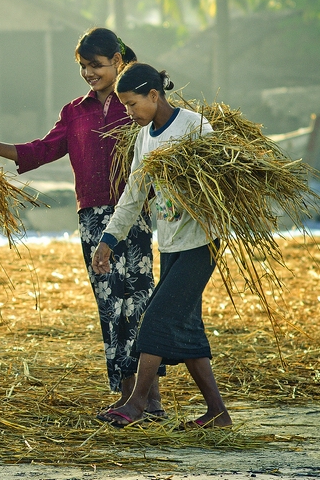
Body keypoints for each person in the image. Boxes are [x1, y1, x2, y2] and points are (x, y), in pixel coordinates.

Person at [0, 28, 165, 418]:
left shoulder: (136, 104)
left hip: (135, 215)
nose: (89, 73)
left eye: (95, 65)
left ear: (117, 60)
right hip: (92, 218)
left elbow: (166, 142)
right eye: (83, 67)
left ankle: (149, 400)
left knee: (140, 304)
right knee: (110, 306)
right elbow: (43, 149)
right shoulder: (74, 111)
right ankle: (129, 396)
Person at [91, 63, 231, 428]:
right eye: (124, 106)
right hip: (170, 243)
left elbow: (221, 180)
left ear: (154, 96)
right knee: (187, 329)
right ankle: (218, 414)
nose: (129, 112)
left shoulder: (195, 126)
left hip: (202, 241)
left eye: (133, 104)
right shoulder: (144, 138)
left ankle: (137, 402)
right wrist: (108, 239)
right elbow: (134, 193)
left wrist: (189, 187)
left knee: (154, 320)